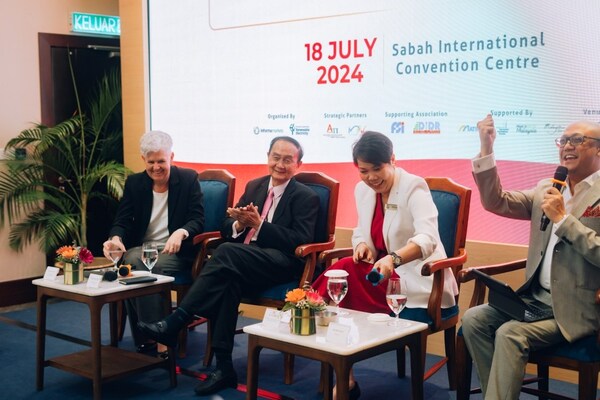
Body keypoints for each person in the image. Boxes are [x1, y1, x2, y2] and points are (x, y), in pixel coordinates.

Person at [138, 136, 320, 395]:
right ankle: (224, 367)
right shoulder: (255, 186)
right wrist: (239, 224)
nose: (280, 164)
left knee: (226, 254)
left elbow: (299, 242)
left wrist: (260, 226)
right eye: (276, 157)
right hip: (245, 259)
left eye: (288, 160)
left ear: (298, 164)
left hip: (282, 262)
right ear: (268, 157)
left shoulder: (305, 196)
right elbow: (226, 228)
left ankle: (177, 321)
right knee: (228, 279)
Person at [461, 114, 600, 399]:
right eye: (563, 140)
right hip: (535, 298)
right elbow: (496, 201)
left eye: (577, 140)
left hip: (577, 307)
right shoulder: (547, 189)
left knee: (510, 333)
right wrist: (487, 149)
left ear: (598, 149)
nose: (567, 146)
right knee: (474, 319)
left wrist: (563, 220)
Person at [312, 131, 459, 399]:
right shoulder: (363, 190)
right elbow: (361, 232)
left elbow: (428, 239)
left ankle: (308, 312)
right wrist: (361, 246)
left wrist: (394, 258)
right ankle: (347, 378)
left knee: (341, 278)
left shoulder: (414, 186)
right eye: (364, 171)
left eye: (377, 169)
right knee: (342, 274)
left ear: (392, 159)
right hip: (379, 276)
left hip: (417, 279)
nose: (371, 178)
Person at [103, 130, 204, 356]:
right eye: (151, 162)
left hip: (176, 251)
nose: (156, 167)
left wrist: (181, 232)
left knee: (133, 265)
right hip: (143, 250)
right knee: (133, 261)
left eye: (161, 161)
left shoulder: (188, 179)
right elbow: (122, 219)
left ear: (172, 157)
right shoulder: (135, 183)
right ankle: (156, 334)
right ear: (143, 160)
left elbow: (197, 219)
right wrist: (116, 238)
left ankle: (150, 337)